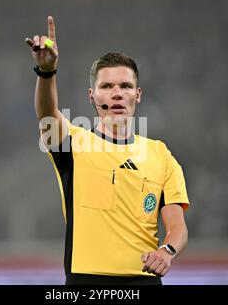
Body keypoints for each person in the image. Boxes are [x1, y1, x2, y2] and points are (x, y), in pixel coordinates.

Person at [25, 16, 190, 285]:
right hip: (85, 283)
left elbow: (178, 228)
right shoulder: (73, 144)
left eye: (125, 86)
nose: (116, 93)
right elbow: (46, 113)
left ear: (137, 94)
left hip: (143, 281)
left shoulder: (160, 155)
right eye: (106, 87)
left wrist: (166, 251)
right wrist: (46, 73)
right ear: (92, 96)